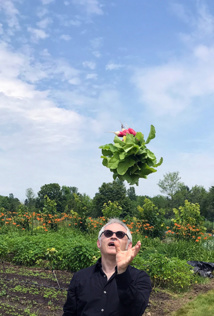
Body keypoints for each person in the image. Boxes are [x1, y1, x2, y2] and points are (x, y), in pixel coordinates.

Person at [63, 218, 152, 316]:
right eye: (108, 233)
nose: (113, 236)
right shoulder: (80, 277)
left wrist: (122, 272)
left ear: (129, 245)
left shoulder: (140, 278)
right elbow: (69, 313)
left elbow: (137, 310)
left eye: (120, 234)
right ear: (99, 243)